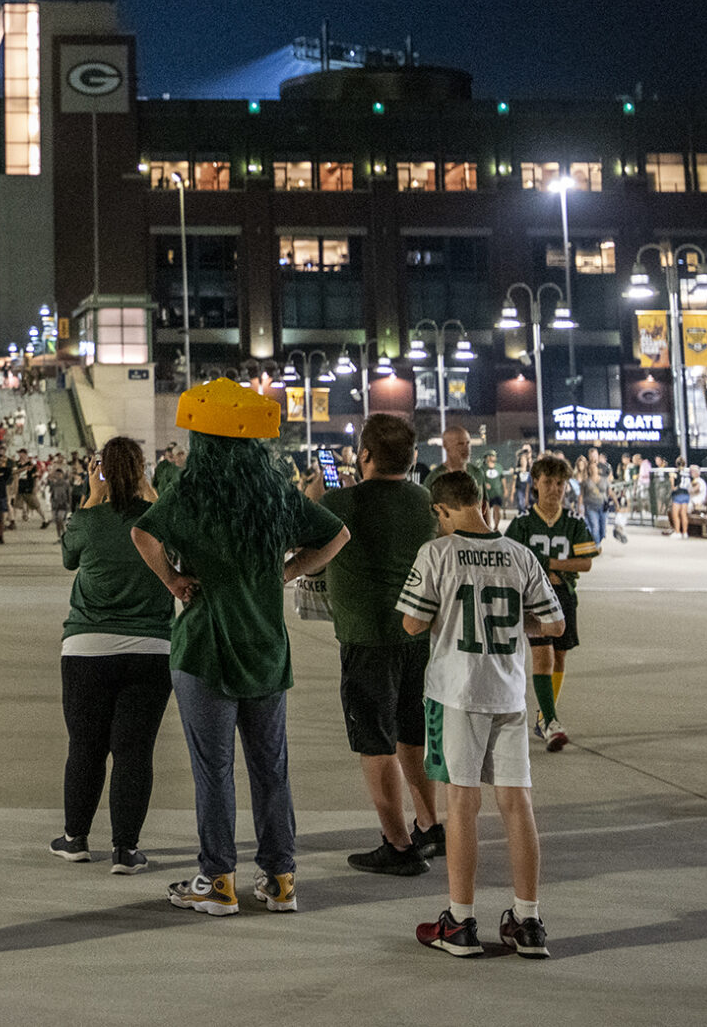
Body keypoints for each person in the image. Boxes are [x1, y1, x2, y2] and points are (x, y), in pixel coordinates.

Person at [131, 379, 349, 918]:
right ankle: (280, 879)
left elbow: (143, 533)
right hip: (265, 649)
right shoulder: (276, 495)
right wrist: (289, 570)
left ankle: (218, 880)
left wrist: (175, 582)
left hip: (204, 648)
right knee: (271, 769)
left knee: (214, 771)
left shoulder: (190, 492)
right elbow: (337, 535)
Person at [400, 467, 567, 958]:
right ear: (480, 500)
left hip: (457, 693)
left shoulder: (437, 552)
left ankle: (461, 920)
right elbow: (554, 626)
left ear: (441, 510)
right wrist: (515, 628)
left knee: (462, 805)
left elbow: (411, 623)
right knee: (518, 805)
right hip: (509, 693)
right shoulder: (519, 554)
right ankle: (529, 920)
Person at [313, 411, 444, 877]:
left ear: (364, 454)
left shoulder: (343, 501)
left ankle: (398, 844)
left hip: (367, 636)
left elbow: (309, 551)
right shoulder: (423, 499)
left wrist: (319, 492)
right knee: (412, 732)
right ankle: (430, 824)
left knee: (375, 740)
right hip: (415, 632)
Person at [50, 435, 175, 874]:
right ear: (142, 469)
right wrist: (149, 491)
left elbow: (69, 558)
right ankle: (126, 848)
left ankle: (75, 839)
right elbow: (176, 550)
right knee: (134, 751)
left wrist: (92, 495)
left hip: (87, 646)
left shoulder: (88, 520)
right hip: (151, 648)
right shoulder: (157, 517)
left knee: (85, 746)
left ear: (99, 469)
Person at [505, 454, 599, 751]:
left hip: (564, 597)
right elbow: (510, 564)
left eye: (560, 483)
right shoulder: (521, 524)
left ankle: (544, 718)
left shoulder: (573, 521)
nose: (555, 489)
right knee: (543, 657)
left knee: (559, 657)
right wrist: (548, 570)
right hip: (534, 600)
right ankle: (551, 721)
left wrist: (551, 564)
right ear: (535, 483)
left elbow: (585, 563)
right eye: (548, 482)